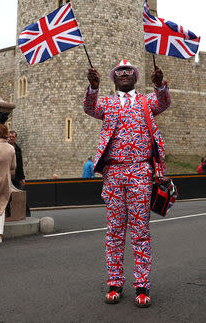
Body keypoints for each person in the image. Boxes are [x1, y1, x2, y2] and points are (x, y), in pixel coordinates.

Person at [84, 59, 171, 308]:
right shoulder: (107, 104)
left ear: (134, 77)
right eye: (119, 72)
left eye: (128, 72)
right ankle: (115, 283)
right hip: (113, 173)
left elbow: (164, 101)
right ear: (114, 78)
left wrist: (159, 85)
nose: (124, 75)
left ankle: (142, 285)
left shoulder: (147, 101)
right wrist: (93, 87)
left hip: (141, 171)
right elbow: (90, 108)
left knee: (140, 230)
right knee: (114, 230)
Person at [9, 130, 31, 217]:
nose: (11, 138)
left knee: (21, 194)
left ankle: (26, 214)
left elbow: (20, 164)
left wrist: (23, 177)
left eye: (13, 137)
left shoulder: (18, 149)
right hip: (8, 175)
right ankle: (10, 214)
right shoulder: (5, 147)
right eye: (10, 137)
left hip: (17, 176)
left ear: (15, 138)